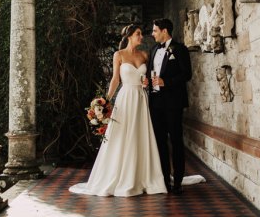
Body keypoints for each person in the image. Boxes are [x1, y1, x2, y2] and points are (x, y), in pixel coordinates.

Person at [69, 24, 167, 196]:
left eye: (141, 34)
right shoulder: (119, 55)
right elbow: (115, 79)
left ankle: (142, 176)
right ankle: (121, 176)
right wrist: (105, 101)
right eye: (138, 34)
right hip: (125, 98)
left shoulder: (145, 55)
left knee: (140, 134)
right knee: (122, 135)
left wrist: (147, 83)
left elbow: (150, 77)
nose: (141, 37)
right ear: (129, 36)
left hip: (141, 98)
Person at [148, 18, 192, 194]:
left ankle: (178, 180)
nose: (152, 34)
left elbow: (186, 74)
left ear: (164, 31)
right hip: (156, 103)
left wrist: (167, 82)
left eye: (155, 31)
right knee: (159, 142)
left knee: (175, 140)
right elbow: (152, 73)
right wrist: (148, 82)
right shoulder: (153, 50)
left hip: (174, 103)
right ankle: (164, 179)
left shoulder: (180, 49)